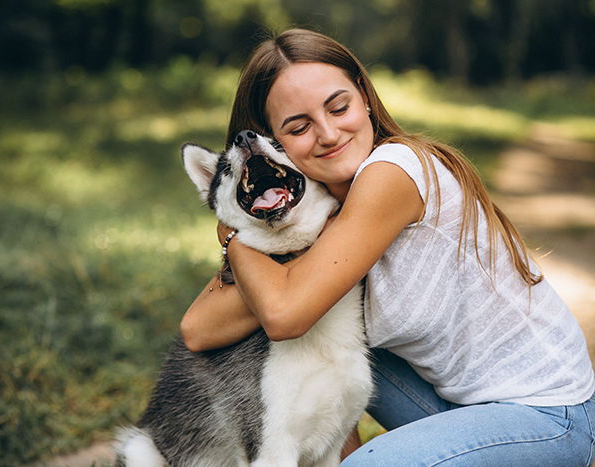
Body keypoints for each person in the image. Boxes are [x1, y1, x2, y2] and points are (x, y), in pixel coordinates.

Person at [179, 28, 595, 466]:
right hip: (460, 406)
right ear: (272, 149)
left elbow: (283, 315)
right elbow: (199, 330)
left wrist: (233, 229)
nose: (328, 133)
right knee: (327, 338)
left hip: (548, 414)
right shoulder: (315, 210)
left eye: (338, 107)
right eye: (298, 127)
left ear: (363, 96)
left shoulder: (392, 172)